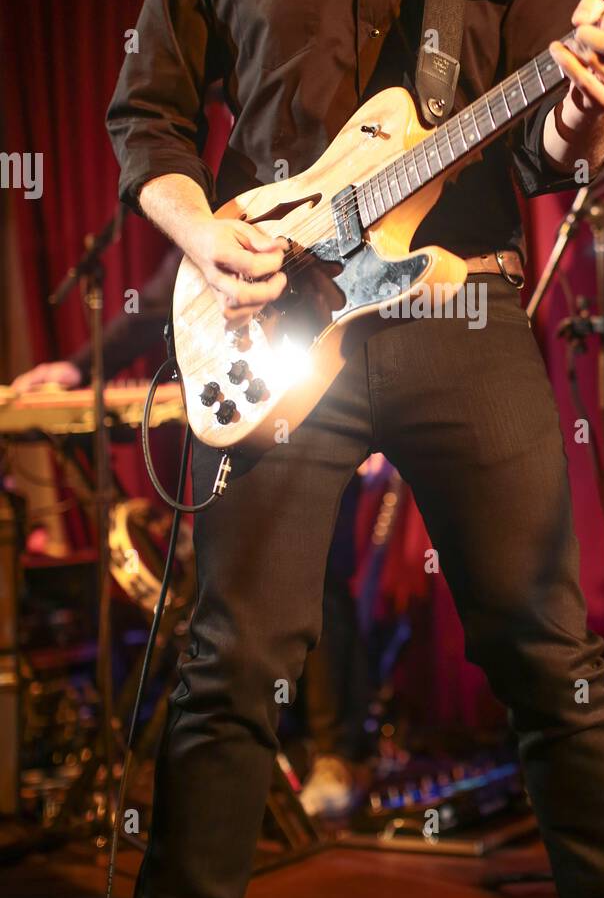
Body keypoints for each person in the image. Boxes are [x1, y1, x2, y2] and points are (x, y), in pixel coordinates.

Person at [106, 0, 604, 898]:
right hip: (274, 319)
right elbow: (148, 114)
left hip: (461, 311)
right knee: (226, 670)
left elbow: (547, 158)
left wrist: (590, 109)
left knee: (553, 661)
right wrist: (202, 237)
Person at [11, 248, 372, 815]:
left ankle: (336, 754)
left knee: (320, 573)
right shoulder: (212, 217)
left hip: (335, 387)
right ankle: (257, 757)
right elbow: (156, 304)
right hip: (254, 408)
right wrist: (79, 367)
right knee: (231, 579)